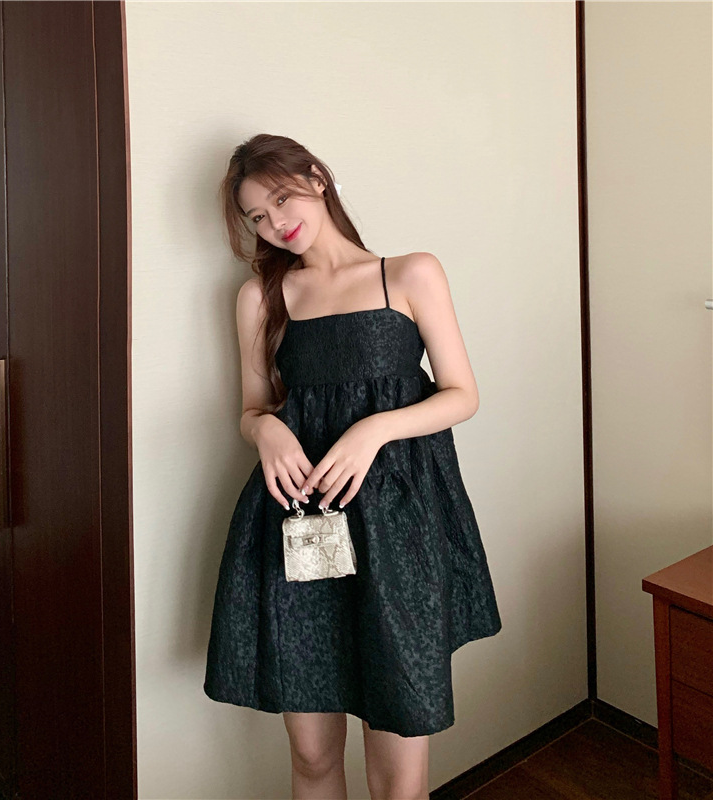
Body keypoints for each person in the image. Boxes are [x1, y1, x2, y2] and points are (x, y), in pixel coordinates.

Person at [204, 133, 502, 800]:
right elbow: (251, 409)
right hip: (302, 531)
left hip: (400, 530)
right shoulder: (260, 299)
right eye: (257, 216)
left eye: (282, 198)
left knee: (399, 773)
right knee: (312, 756)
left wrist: (374, 430)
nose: (276, 223)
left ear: (316, 177)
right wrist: (264, 429)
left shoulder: (411, 273)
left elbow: (462, 394)